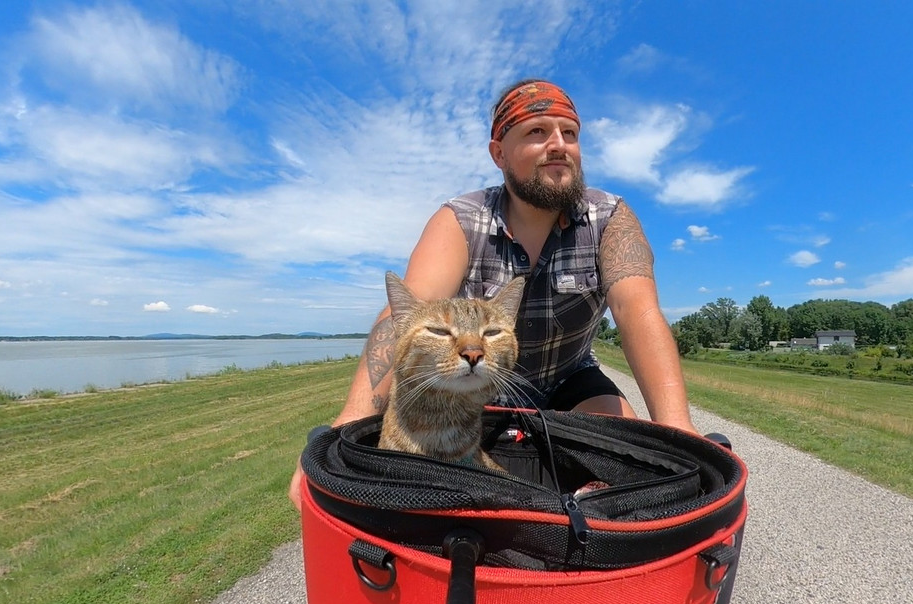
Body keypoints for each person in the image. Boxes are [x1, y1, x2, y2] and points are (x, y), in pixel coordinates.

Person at [289, 79, 696, 510]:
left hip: (570, 378)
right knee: (431, 490)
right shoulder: (460, 221)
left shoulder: (610, 218)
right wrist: (351, 421)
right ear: (499, 153)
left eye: (570, 133)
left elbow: (637, 311)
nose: (558, 145)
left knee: (627, 469)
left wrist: (676, 428)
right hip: (473, 383)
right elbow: (406, 311)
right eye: (537, 132)